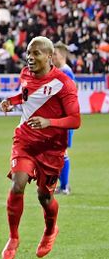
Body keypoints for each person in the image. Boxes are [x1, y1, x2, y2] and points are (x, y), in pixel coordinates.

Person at [0, 37, 80, 259]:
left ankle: (50, 230)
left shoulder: (64, 83)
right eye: (28, 53)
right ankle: (13, 237)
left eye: (36, 53)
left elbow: (75, 120)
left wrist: (49, 122)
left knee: (44, 197)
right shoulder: (25, 73)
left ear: (49, 56)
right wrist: (12, 101)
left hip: (51, 149)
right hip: (25, 139)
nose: (30, 57)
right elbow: (26, 96)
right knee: (18, 184)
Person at [52, 42, 76, 195]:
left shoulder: (66, 72)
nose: (52, 57)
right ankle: (61, 185)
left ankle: (64, 186)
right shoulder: (60, 71)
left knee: (62, 152)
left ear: (61, 55)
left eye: (54, 54)